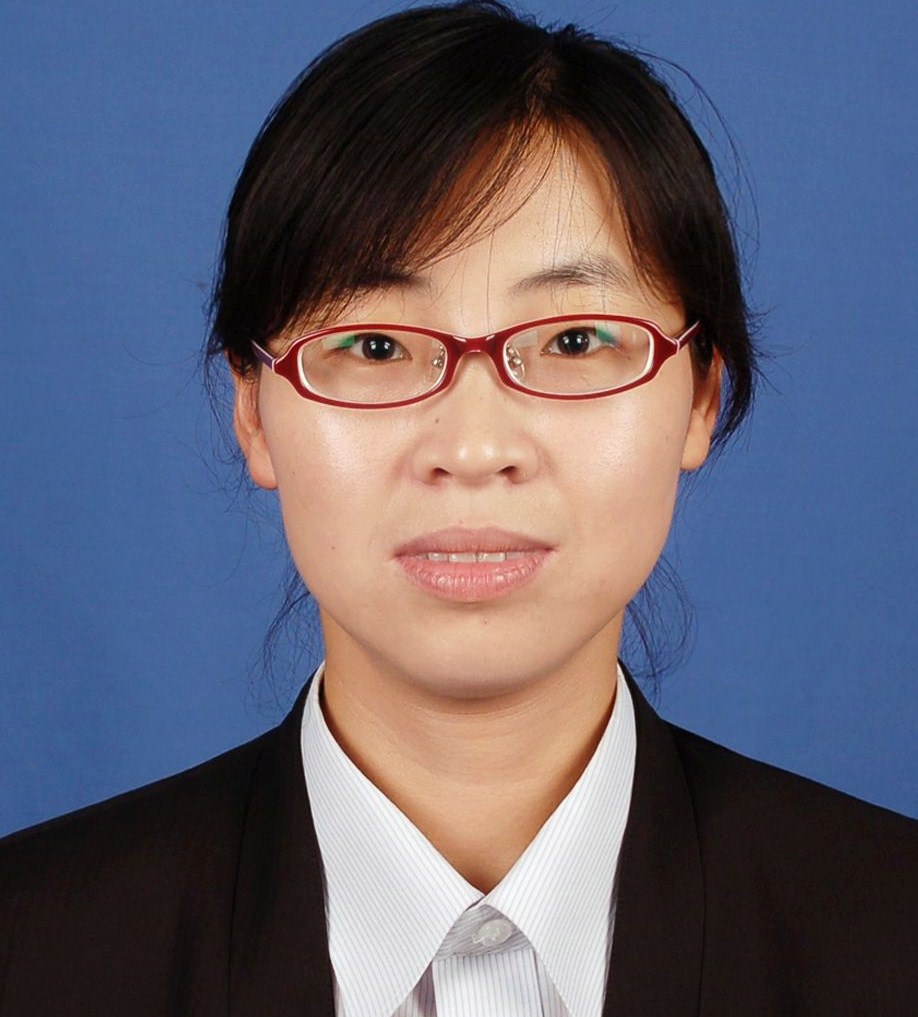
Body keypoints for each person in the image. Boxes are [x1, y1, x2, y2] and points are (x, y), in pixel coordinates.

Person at [1, 2, 915, 1014]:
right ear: (253, 411)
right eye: (376, 346)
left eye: (573, 341)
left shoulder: (891, 938)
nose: (475, 449)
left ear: (701, 395)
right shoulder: (32, 953)